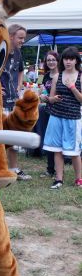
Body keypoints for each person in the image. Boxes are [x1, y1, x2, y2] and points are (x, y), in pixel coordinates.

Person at [43, 47, 82, 188]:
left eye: (71, 59)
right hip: (56, 116)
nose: (68, 61)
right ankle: (59, 179)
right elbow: (51, 98)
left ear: (76, 60)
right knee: (56, 149)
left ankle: (79, 179)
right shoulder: (57, 76)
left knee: (74, 151)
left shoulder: (80, 76)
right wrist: (51, 99)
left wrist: (72, 87)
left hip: (73, 117)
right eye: (66, 58)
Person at [0, 24, 32, 180]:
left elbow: (20, 70)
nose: (23, 41)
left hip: (13, 101)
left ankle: (14, 169)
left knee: (13, 138)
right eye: (20, 37)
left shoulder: (18, 53)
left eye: (24, 38)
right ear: (11, 36)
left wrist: (19, 84)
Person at [37, 51, 60, 177]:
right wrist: (41, 95)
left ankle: (58, 169)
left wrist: (51, 98)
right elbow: (39, 90)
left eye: (53, 60)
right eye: (48, 60)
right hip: (47, 110)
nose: (51, 62)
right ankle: (50, 169)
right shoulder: (44, 76)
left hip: (59, 111)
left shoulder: (62, 76)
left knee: (57, 140)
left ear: (58, 61)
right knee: (49, 139)